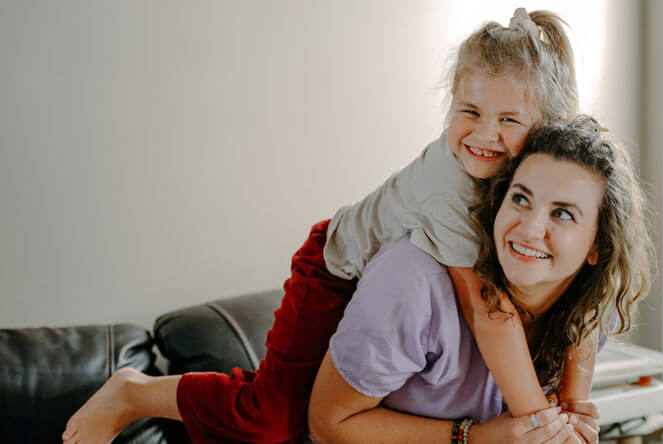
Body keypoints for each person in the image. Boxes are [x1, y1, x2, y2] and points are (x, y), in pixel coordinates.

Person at [63, 8, 586, 444]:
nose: (484, 134)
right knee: (270, 416)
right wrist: (538, 421)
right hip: (334, 268)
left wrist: (571, 402)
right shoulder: (448, 184)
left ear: (543, 128)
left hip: (381, 290)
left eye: (509, 120)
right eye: (468, 110)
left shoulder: (532, 182)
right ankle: (134, 391)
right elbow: (484, 309)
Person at [307, 114, 655, 444]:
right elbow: (328, 425)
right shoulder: (412, 283)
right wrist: (475, 438)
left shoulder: (592, 310)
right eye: (520, 198)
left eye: (562, 213)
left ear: (597, 246)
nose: (530, 230)